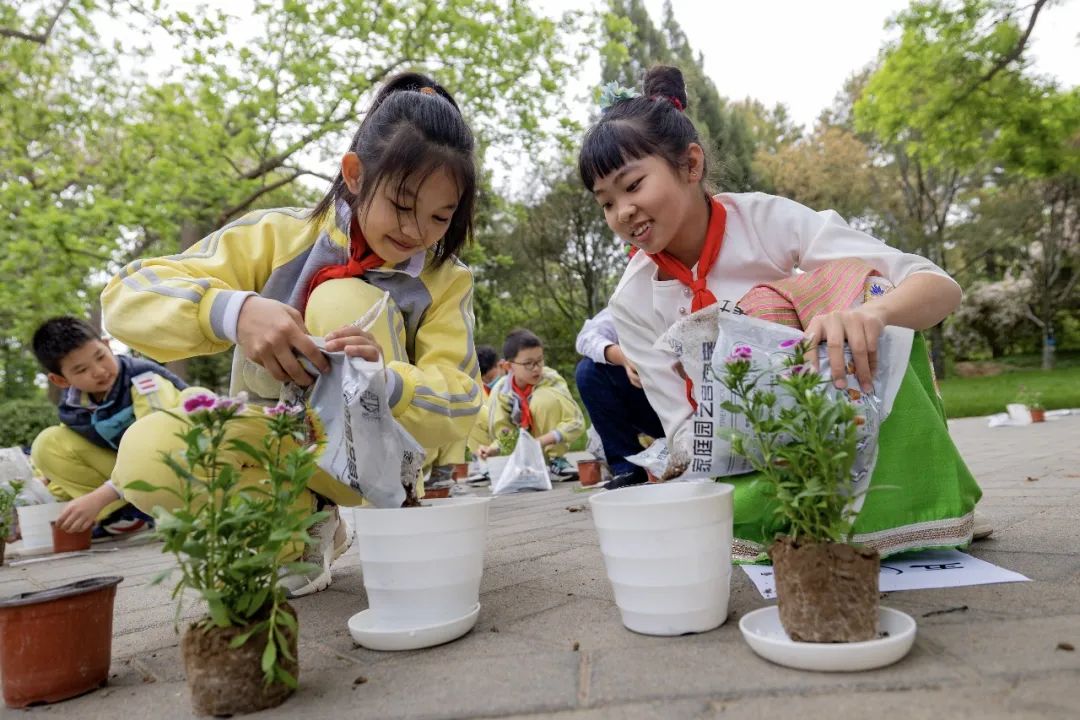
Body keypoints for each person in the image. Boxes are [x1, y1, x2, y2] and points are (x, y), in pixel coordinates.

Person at [100, 72, 482, 595]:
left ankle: (379, 512)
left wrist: (387, 382)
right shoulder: (280, 234)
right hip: (277, 440)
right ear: (354, 173)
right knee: (148, 451)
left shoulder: (446, 280)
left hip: (379, 460)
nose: (415, 232)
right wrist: (235, 311)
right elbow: (126, 295)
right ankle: (300, 528)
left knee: (340, 299)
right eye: (401, 204)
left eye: (439, 217)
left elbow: (464, 399)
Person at [578, 66, 983, 558]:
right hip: (752, 457)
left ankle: (907, 508)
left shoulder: (769, 223)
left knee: (868, 287)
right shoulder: (633, 298)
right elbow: (680, 423)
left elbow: (937, 287)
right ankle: (778, 519)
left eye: (633, 185)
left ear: (690, 165)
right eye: (606, 202)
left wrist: (871, 315)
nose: (623, 212)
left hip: (840, 412)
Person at [30, 316, 191, 538]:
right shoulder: (75, 405)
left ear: (107, 345)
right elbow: (68, 452)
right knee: (47, 443)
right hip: (128, 475)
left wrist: (103, 495)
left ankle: (164, 509)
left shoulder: (145, 381)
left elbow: (160, 448)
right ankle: (128, 516)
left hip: (181, 467)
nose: (98, 371)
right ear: (61, 380)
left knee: (154, 445)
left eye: (100, 357)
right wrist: (39, 490)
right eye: (81, 370)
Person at [575, 308, 664, 489]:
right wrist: (623, 358)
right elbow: (587, 337)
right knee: (589, 371)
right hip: (655, 404)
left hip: (697, 404)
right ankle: (628, 466)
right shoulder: (630, 302)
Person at [478, 329, 584, 478]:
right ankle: (520, 467)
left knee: (543, 400)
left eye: (539, 361)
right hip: (522, 453)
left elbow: (576, 422)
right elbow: (504, 433)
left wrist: (540, 442)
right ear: (509, 367)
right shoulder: (501, 391)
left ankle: (555, 460)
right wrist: (493, 449)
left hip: (545, 443)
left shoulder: (551, 380)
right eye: (528, 363)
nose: (536, 368)